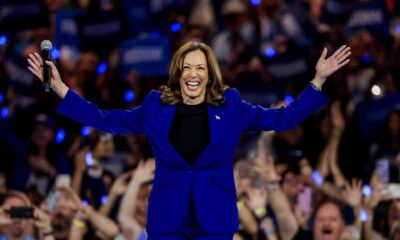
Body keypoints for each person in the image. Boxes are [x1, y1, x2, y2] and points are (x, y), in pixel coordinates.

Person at [27, 40, 351, 240]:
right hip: (167, 218)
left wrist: (318, 80)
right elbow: (105, 120)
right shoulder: (155, 106)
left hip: (215, 219)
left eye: (200, 67)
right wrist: (61, 89)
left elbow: (284, 119)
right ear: (178, 72)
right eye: (186, 67)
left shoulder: (232, 105)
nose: (193, 74)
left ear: (209, 73)